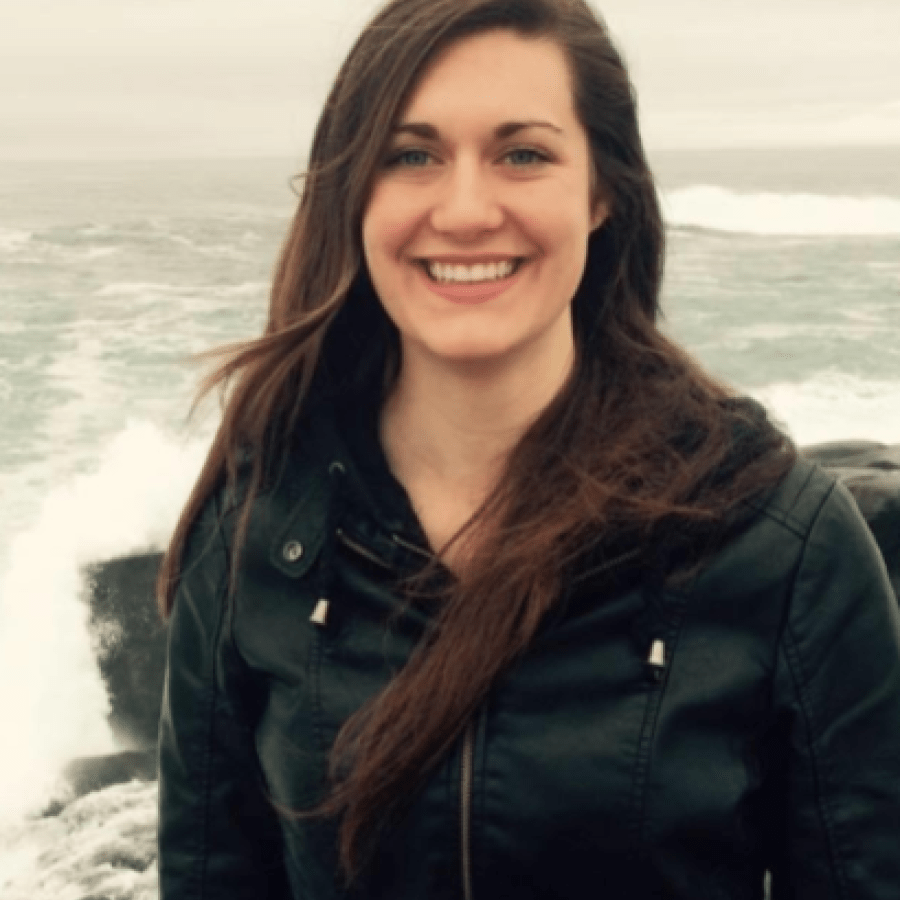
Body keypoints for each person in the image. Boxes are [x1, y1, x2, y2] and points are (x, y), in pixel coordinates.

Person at [155, 0, 900, 897]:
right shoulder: (255, 530)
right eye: (413, 155)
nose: (466, 210)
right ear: (355, 192)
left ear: (601, 193)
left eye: (523, 154)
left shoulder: (782, 545)